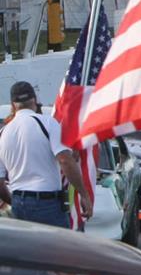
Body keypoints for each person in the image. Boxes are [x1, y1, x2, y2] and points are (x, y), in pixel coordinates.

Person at [0, 81, 92, 227]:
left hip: (18, 201)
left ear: (13, 105)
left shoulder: (3, 133)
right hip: (47, 202)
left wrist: (16, 201)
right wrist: (84, 194)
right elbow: (65, 160)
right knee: (56, 248)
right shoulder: (48, 123)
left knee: (26, 249)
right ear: (35, 100)